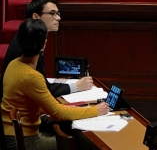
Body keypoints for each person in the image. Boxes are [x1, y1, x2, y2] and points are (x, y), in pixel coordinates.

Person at [1, 19, 109, 150]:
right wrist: (96, 110)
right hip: (27, 142)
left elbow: (31, 104)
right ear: (44, 44)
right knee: (81, 142)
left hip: (11, 136)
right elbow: (58, 113)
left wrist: (66, 109)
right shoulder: (32, 77)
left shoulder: (13, 65)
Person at [1, 0, 93, 98]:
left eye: (58, 13)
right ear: (36, 17)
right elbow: (44, 89)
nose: (58, 18)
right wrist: (77, 86)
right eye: (52, 13)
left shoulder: (27, 37)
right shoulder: (27, 45)